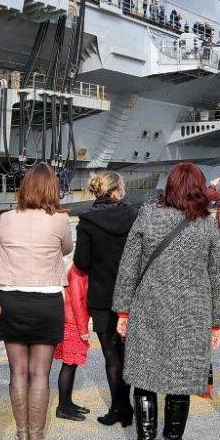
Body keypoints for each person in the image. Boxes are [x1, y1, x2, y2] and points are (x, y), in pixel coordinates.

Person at [113, 162, 220, 440]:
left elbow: (129, 267)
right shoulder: (206, 223)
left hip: (150, 307)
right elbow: (217, 276)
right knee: (181, 383)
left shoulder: (149, 215)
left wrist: (123, 311)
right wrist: (216, 322)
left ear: (171, 185)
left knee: (144, 380)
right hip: (193, 313)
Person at [0, 163, 73, 440]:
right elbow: (66, 249)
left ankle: (21, 437)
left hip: (11, 299)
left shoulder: (6, 218)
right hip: (46, 300)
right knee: (40, 373)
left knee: (18, 371)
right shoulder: (60, 220)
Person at [73, 171, 138, 427]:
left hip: (102, 295)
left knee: (111, 356)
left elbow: (81, 262)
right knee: (129, 352)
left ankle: (118, 408)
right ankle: (130, 406)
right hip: (132, 295)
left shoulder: (87, 220)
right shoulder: (134, 216)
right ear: (117, 192)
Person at [53, 263, 89, 421]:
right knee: (68, 365)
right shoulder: (77, 271)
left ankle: (67, 403)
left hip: (71, 321)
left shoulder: (78, 269)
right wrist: (83, 328)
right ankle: (63, 407)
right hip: (72, 323)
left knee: (71, 365)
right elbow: (77, 301)